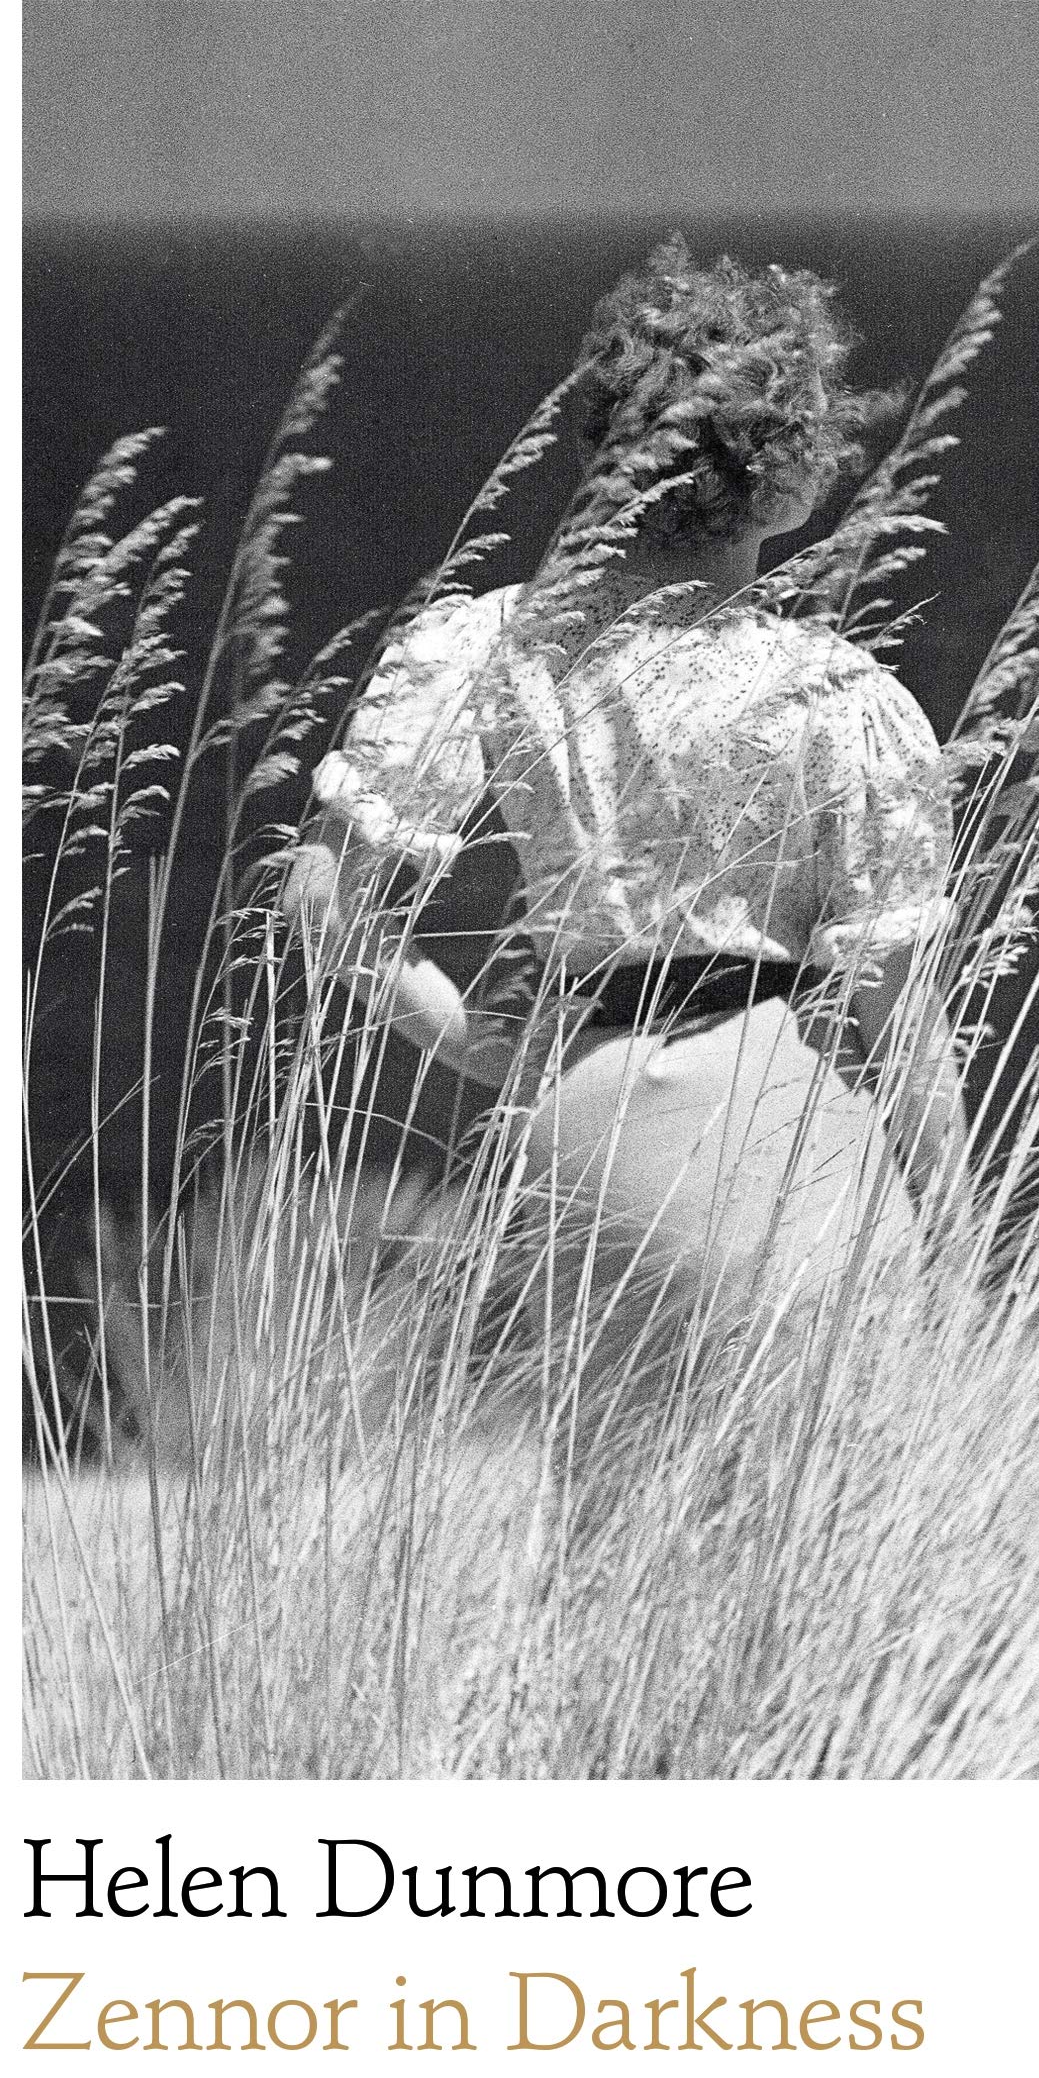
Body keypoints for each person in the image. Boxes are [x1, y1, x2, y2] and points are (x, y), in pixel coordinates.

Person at [285, 238, 966, 1401]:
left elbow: (324, 901)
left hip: (578, 1129)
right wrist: (959, 1241)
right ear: (786, 477)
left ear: (611, 444)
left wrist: (487, 1049)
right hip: (788, 1122)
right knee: (828, 1489)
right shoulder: (842, 697)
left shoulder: (486, 644)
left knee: (611, 1499)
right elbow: (899, 1019)